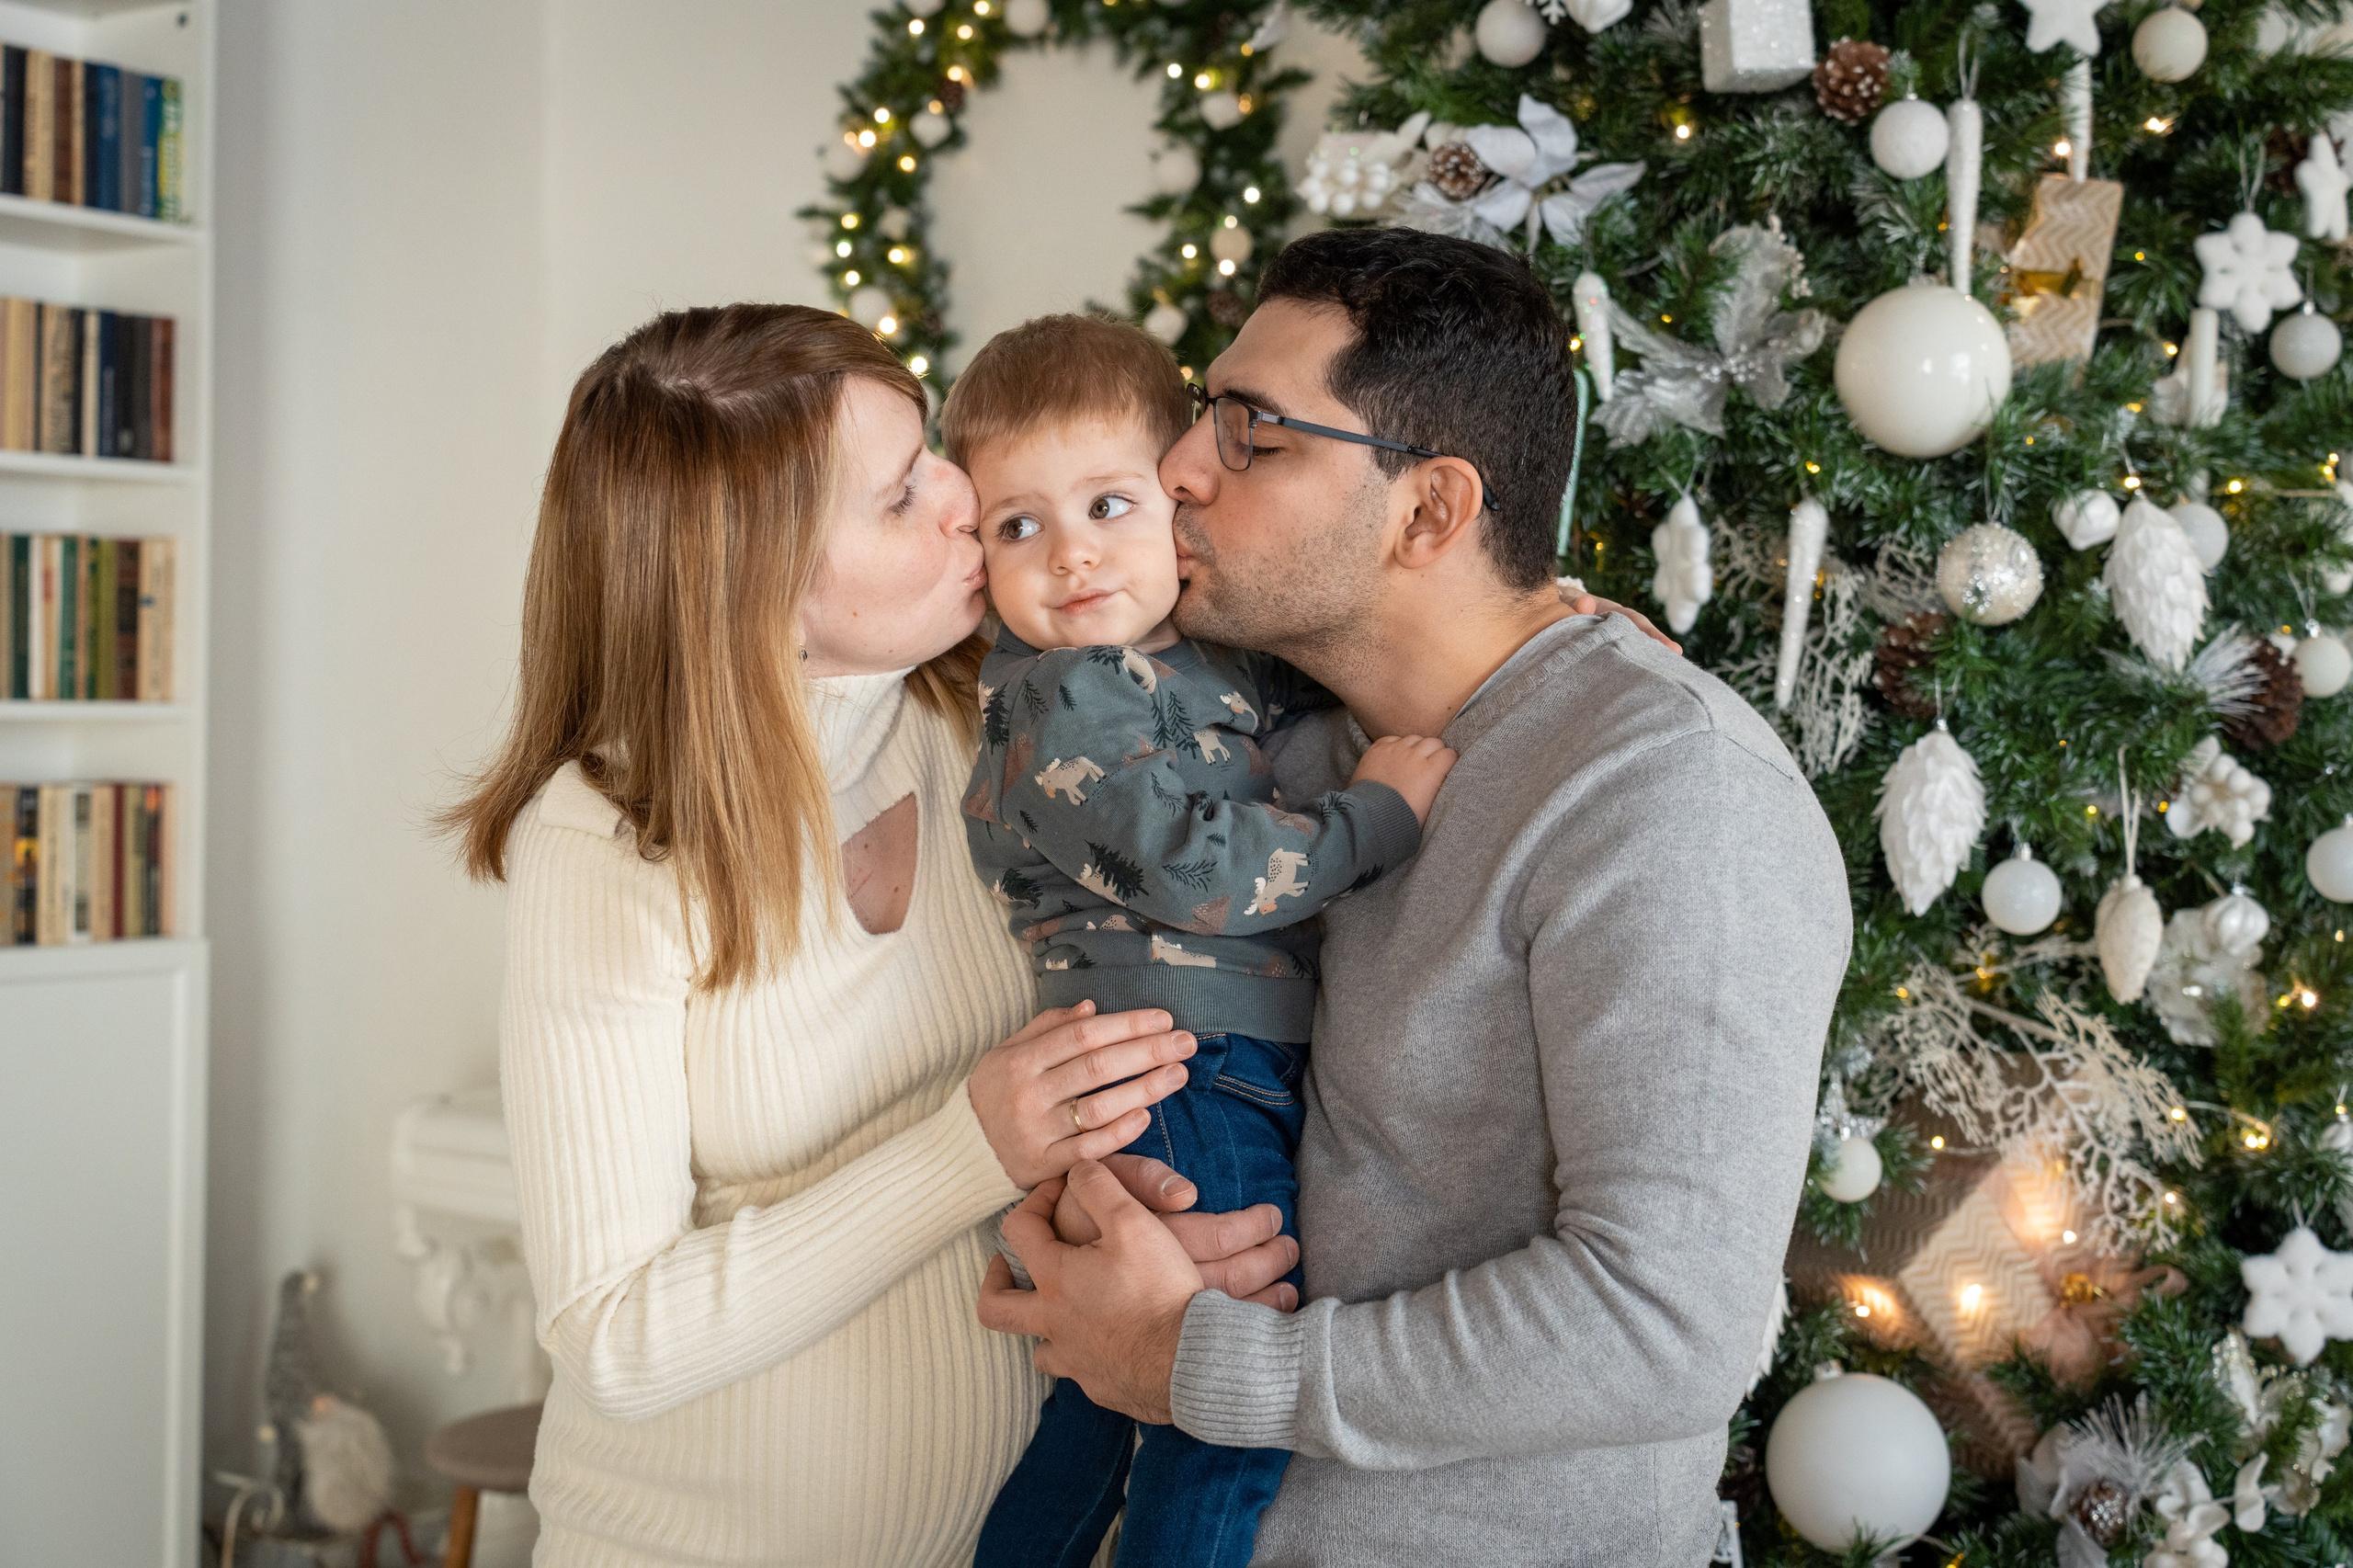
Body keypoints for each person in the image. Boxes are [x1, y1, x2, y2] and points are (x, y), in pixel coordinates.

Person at [978, 229, 1853, 1563]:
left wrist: (1194, 1361)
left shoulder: (1672, 794)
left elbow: (1664, 1323)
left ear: (1432, 512)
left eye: (1252, 432)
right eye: (1205, 412)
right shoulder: (1283, 728)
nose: (1180, 468)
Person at [440, 302, 1304, 1568]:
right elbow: (615, 1336)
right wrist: (974, 1146)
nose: (967, 496)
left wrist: (1528, 639)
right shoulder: (612, 837)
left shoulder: (1007, 712)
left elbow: (1257, 616)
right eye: (903, 496)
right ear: (755, 590)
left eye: (931, 456)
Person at [944, 314, 1456, 1568]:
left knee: (1104, 1416)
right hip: (1175, 1070)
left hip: (1198, 1066)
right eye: (1021, 526)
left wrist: (1560, 619)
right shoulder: (1063, 697)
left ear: (1177, 493)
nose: (1070, 556)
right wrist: (1373, 819)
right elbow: (1190, 867)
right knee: (1221, 1404)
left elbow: (1360, 668)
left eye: (1107, 505)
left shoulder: (1202, 659)